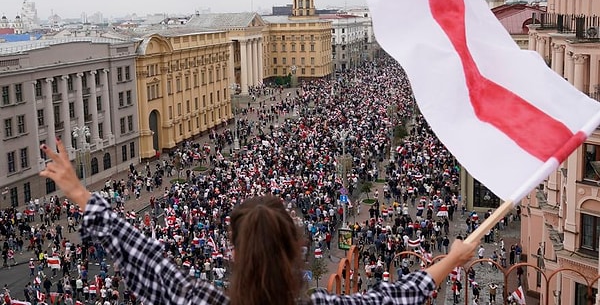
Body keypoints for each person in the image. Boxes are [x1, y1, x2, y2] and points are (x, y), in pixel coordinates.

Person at [40, 138, 478, 305]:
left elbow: (143, 254)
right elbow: (394, 297)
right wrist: (450, 261)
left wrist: (79, 192)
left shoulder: (195, 300)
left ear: (234, 250)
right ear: (295, 249)